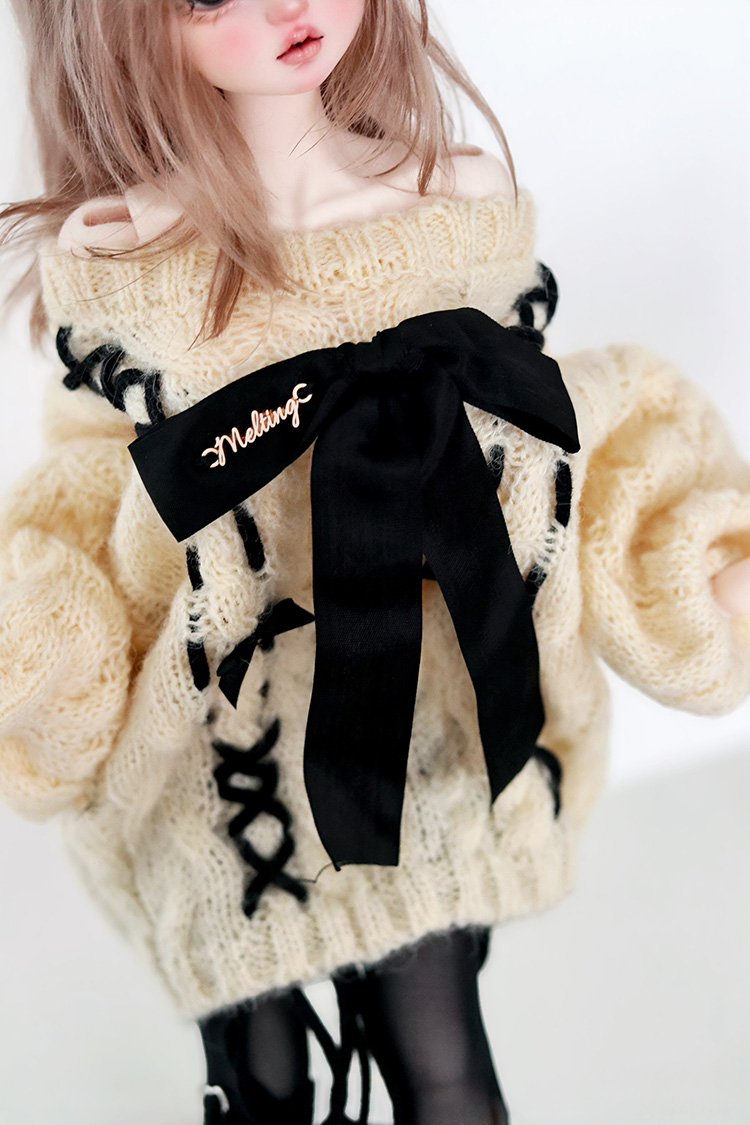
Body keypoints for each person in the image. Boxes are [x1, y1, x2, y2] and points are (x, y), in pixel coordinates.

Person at [0, 2, 748, 1124]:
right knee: (262, 1079)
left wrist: (700, 566)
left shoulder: (452, 201)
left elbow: (547, 439)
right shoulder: (132, 256)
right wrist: (43, 649)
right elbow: (94, 486)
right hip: (226, 762)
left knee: (444, 1063)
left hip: (429, 739)